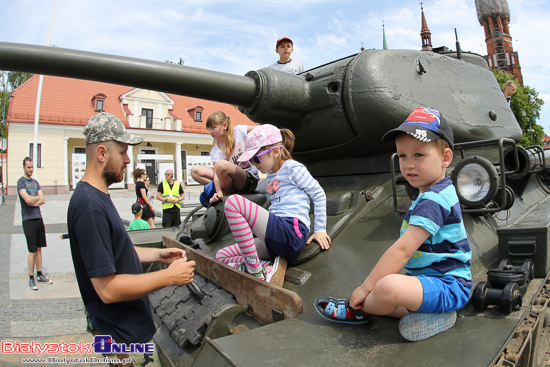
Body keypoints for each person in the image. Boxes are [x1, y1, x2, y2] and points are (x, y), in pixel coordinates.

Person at [314, 107, 472, 342]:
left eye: (419, 155)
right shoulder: (432, 191)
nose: (408, 164)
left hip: (449, 285)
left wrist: (366, 287)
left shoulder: (434, 200)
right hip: (429, 280)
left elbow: (403, 250)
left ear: (445, 158)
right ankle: (422, 314)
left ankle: (361, 309)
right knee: (386, 290)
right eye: (402, 156)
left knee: (386, 287)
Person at [67, 112, 196, 366]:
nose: (128, 159)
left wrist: (158, 255)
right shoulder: (90, 206)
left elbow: (115, 251)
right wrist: (168, 277)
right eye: (123, 152)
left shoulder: (96, 196)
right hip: (123, 340)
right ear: (102, 153)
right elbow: (107, 289)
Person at [215, 124, 331, 287]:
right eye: (250, 159)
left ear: (276, 151)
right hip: (275, 237)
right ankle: (266, 268)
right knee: (222, 256)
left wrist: (319, 229)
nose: (253, 164)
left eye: (256, 158)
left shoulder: (292, 168)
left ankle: (255, 271)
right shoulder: (270, 174)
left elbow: (318, 194)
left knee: (233, 202)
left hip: (291, 231)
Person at [190, 111, 260, 204]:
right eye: (209, 129)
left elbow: (259, 129)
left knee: (221, 165)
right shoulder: (215, 150)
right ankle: (221, 193)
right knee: (195, 171)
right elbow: (216, 175)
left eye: (213, 128)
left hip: (247, 179)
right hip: (228, 178)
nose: (210, 132)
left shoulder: (238, 131)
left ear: (225, 125)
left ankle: (227, 195)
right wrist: (219, 192)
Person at [17, 157, 53, 291]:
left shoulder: (35, 182)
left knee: (39, 248)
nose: (31, 170)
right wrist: (34, 199)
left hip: (38, 218)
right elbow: (27, 200)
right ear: (24, 167)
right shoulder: (21, 182)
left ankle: (40, 274)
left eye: (32, 167)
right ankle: (31, 277)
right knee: (32, 250)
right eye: (28, 167)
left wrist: (34, 200)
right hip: (28, 220)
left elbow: (42, 200)